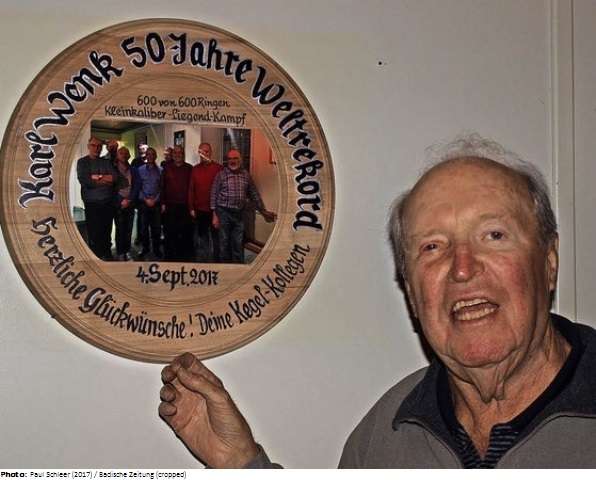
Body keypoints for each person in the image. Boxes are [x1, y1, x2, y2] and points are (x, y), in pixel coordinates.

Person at [159, 133, 596, 468]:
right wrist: (240, 462)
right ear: (411, 291)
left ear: (549, 262)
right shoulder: (385, 435)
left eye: (494, 235)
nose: (462, 268)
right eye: (432, 247)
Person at [210, 149, 276, 263]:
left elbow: (254, 193)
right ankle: (224, 269)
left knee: (238, 244)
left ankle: (238, 269)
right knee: (223, 244)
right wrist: (214, 215)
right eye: (230, 158)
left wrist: (263, 210)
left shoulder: (245, 175)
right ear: (227, 160)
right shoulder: (220, 175)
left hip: (238, 215)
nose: (232, 161)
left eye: (235, 158)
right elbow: (213, 194)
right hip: (223, 213)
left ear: (240, 160)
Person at [76, 137, 116, 261]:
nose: (96, 148)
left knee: (106, 231)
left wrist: (97, 177)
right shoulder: (82, 162)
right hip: (92, 203)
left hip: (107, 202)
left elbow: (114, 178)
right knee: (94, 232)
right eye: (93, 145)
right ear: (88, 146)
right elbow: (86, 182)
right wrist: (105, 180)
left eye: (99, 146)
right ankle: (96, 256)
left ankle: (107, 253)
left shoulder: (106, 162)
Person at [188, 143, 223, 262]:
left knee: (216, 238)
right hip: (200, 210)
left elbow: (223, 190)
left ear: (210, 152)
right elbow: (191, 189)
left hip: (215, 211)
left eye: (206, 151)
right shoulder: (195, 169)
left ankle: (217, 263)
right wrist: (191, 208)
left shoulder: (219, 169)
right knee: (202, 238)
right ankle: (204, 262)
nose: (204, 154)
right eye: (201, 152)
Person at [161, 145, 193, 262]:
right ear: (172, 154)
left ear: (183, 154)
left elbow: (192, 188)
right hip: (170, 205)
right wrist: (163, 203)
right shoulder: (167, 168)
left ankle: (182, 256)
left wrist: (191, 206)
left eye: (180, 153)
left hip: (185, 206)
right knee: (170, 232)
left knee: (184, 232)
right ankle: (169, 256)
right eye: (175, 153)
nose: (177, 155)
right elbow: (162, 187)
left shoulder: (189, 168)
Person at [113, 146, 140, 261]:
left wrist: (128, 200)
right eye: (121, 153)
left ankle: (127, 252)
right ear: (117, 155)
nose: (124, 155)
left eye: (126, 153)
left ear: (129, 156)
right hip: (118, 205)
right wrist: (121, 200)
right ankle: (120, 253)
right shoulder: (113, 169)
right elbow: (112, 187)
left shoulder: (133, 169)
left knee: (128, 230)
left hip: (130, 204)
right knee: (120, 230)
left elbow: (137, 185)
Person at [137, 147, 163, 259]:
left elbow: (162, 188)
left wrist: (155, 200)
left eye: (153, 154)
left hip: (156, 204)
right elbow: (138, 187)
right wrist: (146, 199)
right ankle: (145, 248)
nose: (151, 156)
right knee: (143, 228)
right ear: (146, 156)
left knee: (156, 228)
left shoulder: (161, 170)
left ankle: (156, 249)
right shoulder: (140, 170)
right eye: (149, 154)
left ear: (156, 156)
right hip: (144, 203)